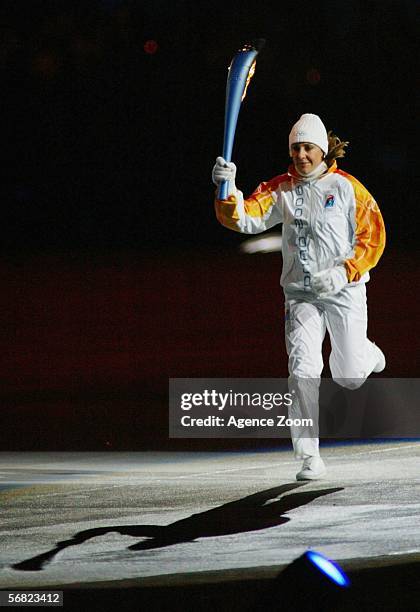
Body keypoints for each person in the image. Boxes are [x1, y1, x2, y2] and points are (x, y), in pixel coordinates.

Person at [212, 113, 386, 481]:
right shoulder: (280, 189)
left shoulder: (347, 189)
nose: (301, 155)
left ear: (322, 149)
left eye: (308, 147)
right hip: (300, 296)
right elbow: (245, 219)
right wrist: (226, 192)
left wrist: (343, 272)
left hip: (344, 291)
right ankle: (309, 457)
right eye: (296, 148)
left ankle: (368, 353)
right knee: (303, 371)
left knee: (351, 376)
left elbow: (373, 236)